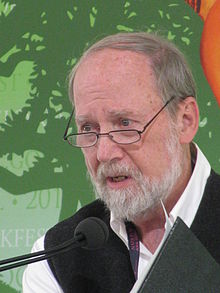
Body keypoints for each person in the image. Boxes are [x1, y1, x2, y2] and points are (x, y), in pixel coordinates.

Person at [22, 32, 220, 292]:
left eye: (125, 124)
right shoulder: (56, 258)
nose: (104, 152)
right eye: (88, 128)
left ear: (185, 121)